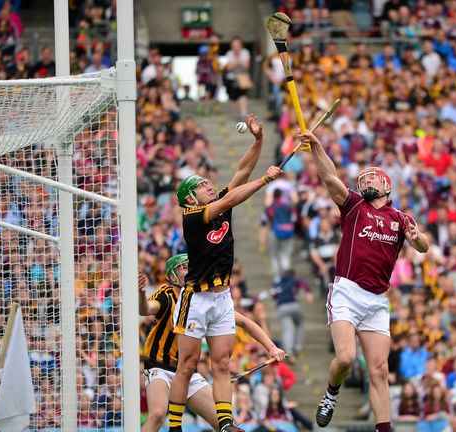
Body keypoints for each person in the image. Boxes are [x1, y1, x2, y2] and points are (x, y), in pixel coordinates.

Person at [297, 131, 430, 431]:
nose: (366, 182)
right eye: (362, 179)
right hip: (347, 291)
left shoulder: (401, 218)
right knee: (345, 358)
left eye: (372, 178)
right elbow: (330, 178)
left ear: (386, 185)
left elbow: (423, 247)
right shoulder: (355, 206)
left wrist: (416, 238)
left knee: (379, 370)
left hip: (376, 301)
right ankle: (331, 393)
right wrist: (317, 146)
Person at [168, 114, 281, 432]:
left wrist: (258, 141)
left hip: (221, 298)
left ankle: (227, 423)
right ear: (190, 198)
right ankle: (174, 427)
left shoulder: (219, 203)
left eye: (207, 184)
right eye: (202, 186)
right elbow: (235, 193)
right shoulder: (193, 216)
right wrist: (264, 181)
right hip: (195, 298)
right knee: (188, 366)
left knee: (221, 363)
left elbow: (243, 170)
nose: (209, 186)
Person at [138, 254, 285, 432]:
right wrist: (141, 294)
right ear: (172, 277)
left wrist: (271, 347)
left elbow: (245, 322)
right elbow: (146, 309)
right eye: (183, 267)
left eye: (190, 266)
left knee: (225, 424)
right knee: (157, 414)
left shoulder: (203, 297)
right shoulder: (167, 294)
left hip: (189, 373)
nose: (190, 270)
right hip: (160, 367)